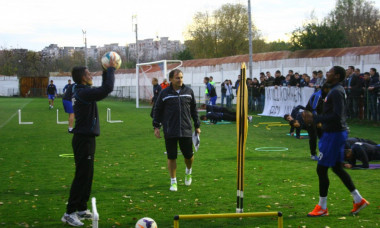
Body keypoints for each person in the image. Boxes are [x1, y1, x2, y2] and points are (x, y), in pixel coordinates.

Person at [304, 66, 369, 217]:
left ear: (337, 76)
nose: (327, 73)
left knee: (321, 169)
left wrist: (316, 118)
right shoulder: (334, 90)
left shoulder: (337, 92)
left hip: (334, 135)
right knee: (337, 168)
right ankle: (358, 199)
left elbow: (337, 116)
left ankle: (322, 207)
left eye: (330, 72)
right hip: (334, 133)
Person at [61, 60, 116, 226]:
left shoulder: (80, 89)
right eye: (88, 73)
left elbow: (100, 88)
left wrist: (106, 71)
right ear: (82, 78)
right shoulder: (82, 93)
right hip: (83, 139)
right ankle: (69, 212)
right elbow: (107, 89)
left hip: (87, 139)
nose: (91, 75)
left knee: (88, 175)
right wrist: (111, 69)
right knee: (81, 176)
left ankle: (81, 208)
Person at [153, 69, 201, 192]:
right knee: (171, 156)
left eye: (181, 77)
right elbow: (157, 110)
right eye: (177, 78)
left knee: (189, 156)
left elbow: (194, 110)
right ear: (171, 79)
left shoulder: (189, 92)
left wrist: (197, 125)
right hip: (170, 130)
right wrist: (156, 126)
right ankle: (173, 182)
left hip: (185, 129)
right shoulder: (164, 93)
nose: (180, 80)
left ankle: (188, 171)